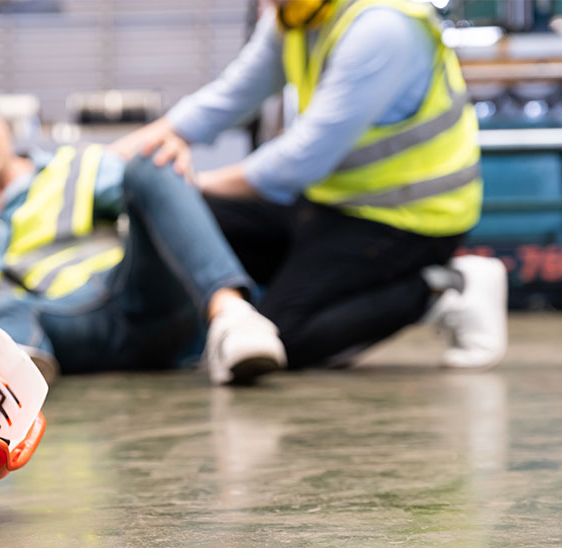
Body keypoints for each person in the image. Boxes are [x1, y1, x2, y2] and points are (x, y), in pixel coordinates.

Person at [114, 0, 508, 370]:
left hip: (409, 220)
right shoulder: (296, 14)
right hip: (332, 203)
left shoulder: (383, 27)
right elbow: (227, 99)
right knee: (192, 223)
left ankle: (441, 290)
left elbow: (300, 161)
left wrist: (189, 184)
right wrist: (108, 161)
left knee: (281, 340)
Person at [0, 71, 286, 386]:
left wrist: (170, 172)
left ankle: (231, 318)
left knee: (154, 160)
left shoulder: (75, 167)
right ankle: (19, 381)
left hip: (134, 297)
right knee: (3, 311)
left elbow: (156, 192)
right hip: (55, 334)